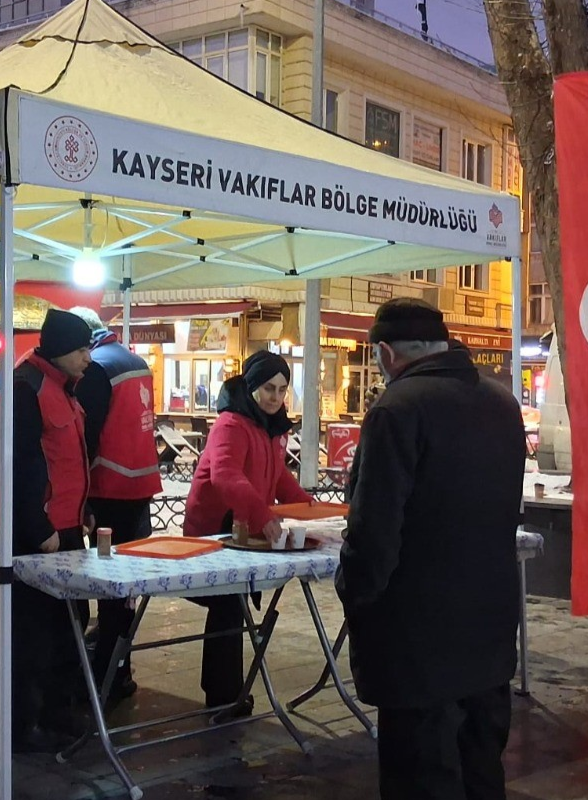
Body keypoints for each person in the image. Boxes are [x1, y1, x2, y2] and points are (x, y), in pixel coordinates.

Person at [337, 298, 526, 800]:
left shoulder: (397, 408)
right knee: (481, 768)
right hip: (489, 624)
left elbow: (374, 529)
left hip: (417, 637)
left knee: (421, 776)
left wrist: (355, 593)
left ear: (384, 353)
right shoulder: (502, 400)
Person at [182, 349, 313, 715]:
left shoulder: (269, 425)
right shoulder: (232, 423)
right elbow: (226, 475)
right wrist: (261, 515)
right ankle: (223, 696)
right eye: (269, 388)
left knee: (232, 612)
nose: (275, 397)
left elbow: (278, 477)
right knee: (227, 611)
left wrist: (309, 506)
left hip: (243, 524)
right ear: (252, 386)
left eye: (282, 389)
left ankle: (228, 693)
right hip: (222, 526)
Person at [2, 308, 95, 753]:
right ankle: (23, 726)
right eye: (81, 349)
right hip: (40, 537)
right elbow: (17, 465)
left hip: (69, 530)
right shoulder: (26, 387)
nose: (88, 357)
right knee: (33, 637)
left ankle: (59, 712)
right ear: (59, 349)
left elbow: (69, 459)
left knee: (69, 629)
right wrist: (37, 528)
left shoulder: (65, 390)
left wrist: (85, 511)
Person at [69, 308, 162, 703]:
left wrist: (79, 490)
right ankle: (120, 670)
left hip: (108, 484)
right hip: (140, 482)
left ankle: (105, 675)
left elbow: (87, 432)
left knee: (107, 586)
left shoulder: (96, 368)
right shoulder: (135, 361)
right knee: (125, 589)